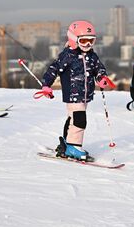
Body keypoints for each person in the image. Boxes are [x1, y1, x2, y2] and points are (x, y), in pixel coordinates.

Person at [36, 20, 115, 160]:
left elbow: (99, 68)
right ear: (74, 39)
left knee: (72, 118)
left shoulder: (92, 55)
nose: (88, 44)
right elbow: (53, 69)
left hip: (85, 95)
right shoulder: (68, 55)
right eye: (84, 41)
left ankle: (67, 144)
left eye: (91, 41)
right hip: (73, 94)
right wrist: (46, 85)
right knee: (79, 119)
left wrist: (101, 77)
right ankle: (73, 147)